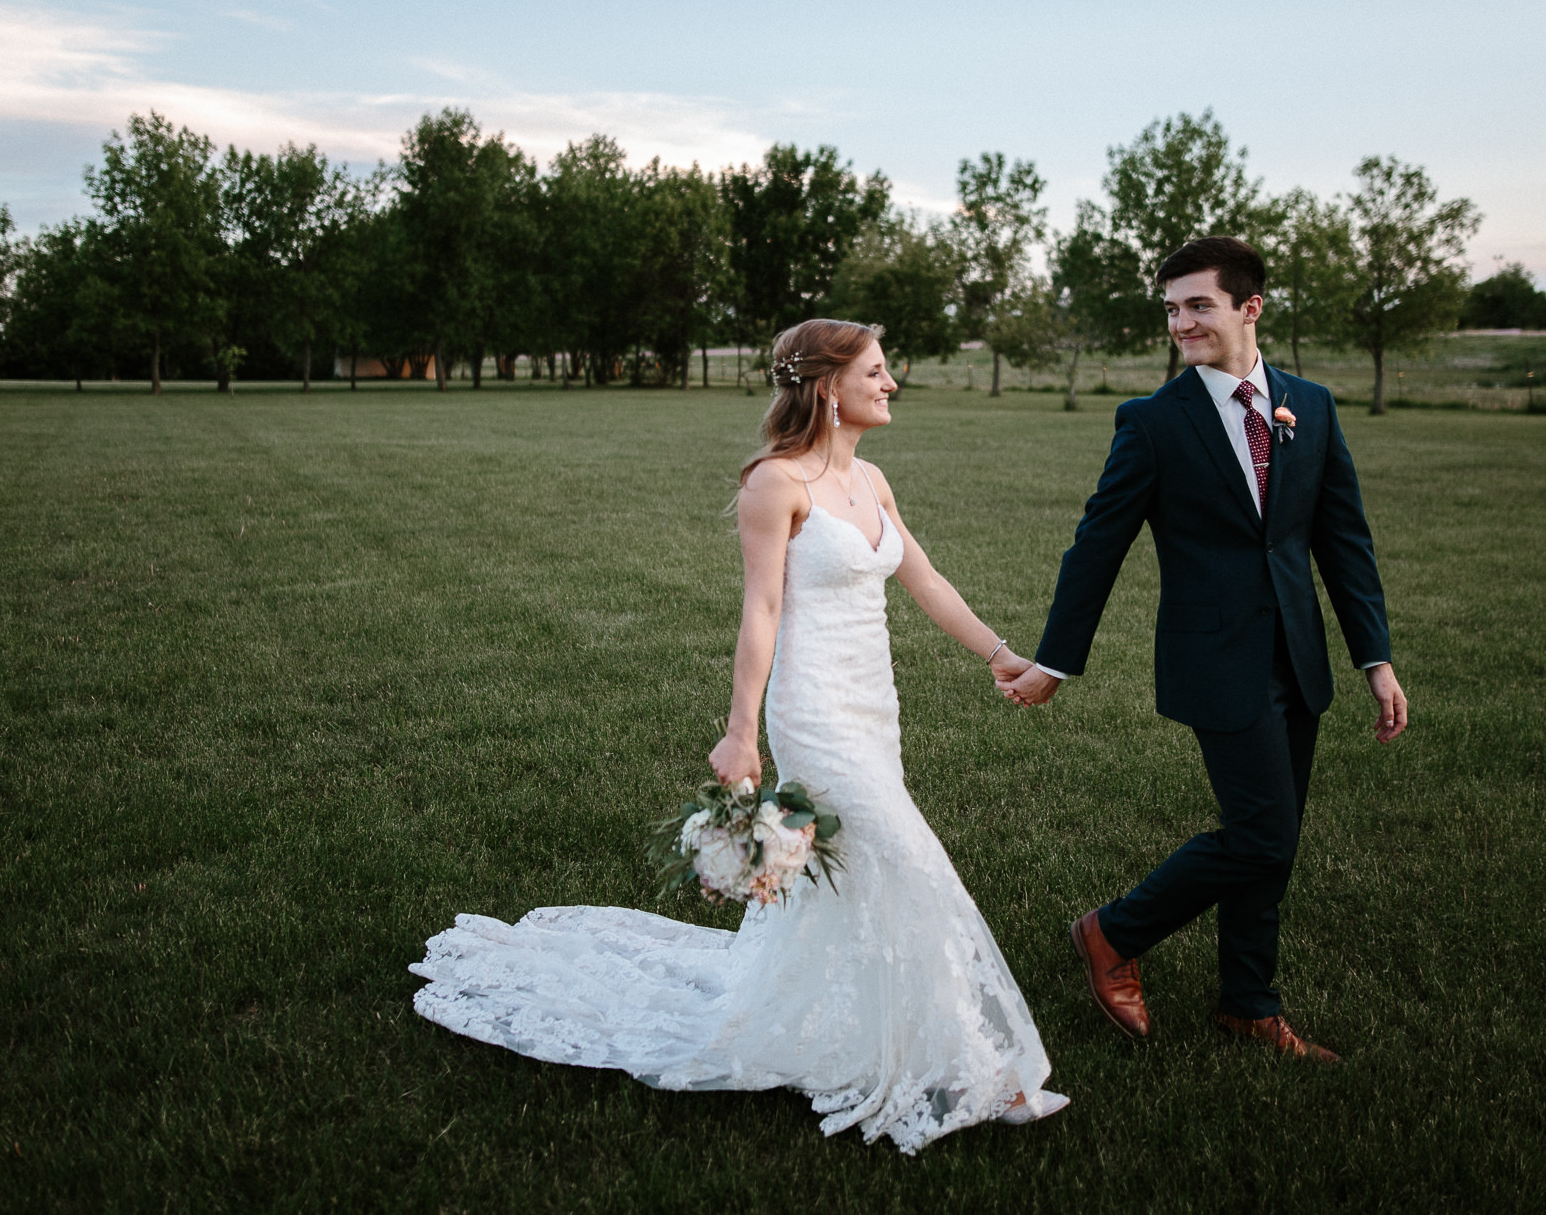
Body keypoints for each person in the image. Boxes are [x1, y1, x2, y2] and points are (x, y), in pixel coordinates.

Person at [413, 319, 1066, 1154]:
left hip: (875, 706)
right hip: (817, 712)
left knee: (859, 875)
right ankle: (972, 1061)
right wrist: (740, 734)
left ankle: (848, 1016)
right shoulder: (775, 482)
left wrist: (1006, 657)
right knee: (911, 859)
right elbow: (759, 612)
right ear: (828, 385)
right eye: (876, 369)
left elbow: (925, 578)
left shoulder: (871, 480)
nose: (891, 382)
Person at [1000, 236, 1407, 1061]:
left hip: (1299, 656)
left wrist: (1376, 656)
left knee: (1275, 837)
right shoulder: (1154, 421)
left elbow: (1344, 542)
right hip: (1215, 660)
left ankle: (1249, 1002)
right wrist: (1055, 662)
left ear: (1249, 307)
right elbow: (1097, 546)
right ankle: (1111, 933)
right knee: (1262, 832)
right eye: (1173, 309)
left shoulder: (1312, 406)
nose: (1181, 323)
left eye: (1198, 305)